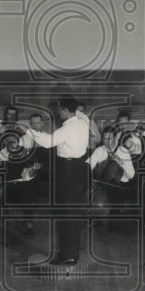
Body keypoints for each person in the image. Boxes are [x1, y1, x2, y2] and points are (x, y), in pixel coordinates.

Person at [26, 96, 90, 266]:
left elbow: (48, 142)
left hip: (67, 171)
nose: (58, 112)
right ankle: (72, 253)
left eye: (60, 109)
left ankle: (68, 256)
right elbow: (81, 115)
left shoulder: (68, 127)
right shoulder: (83, 122)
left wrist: (29, 131)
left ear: (66, 110)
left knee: (66, 214)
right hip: (79, 169)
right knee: (73, 213)